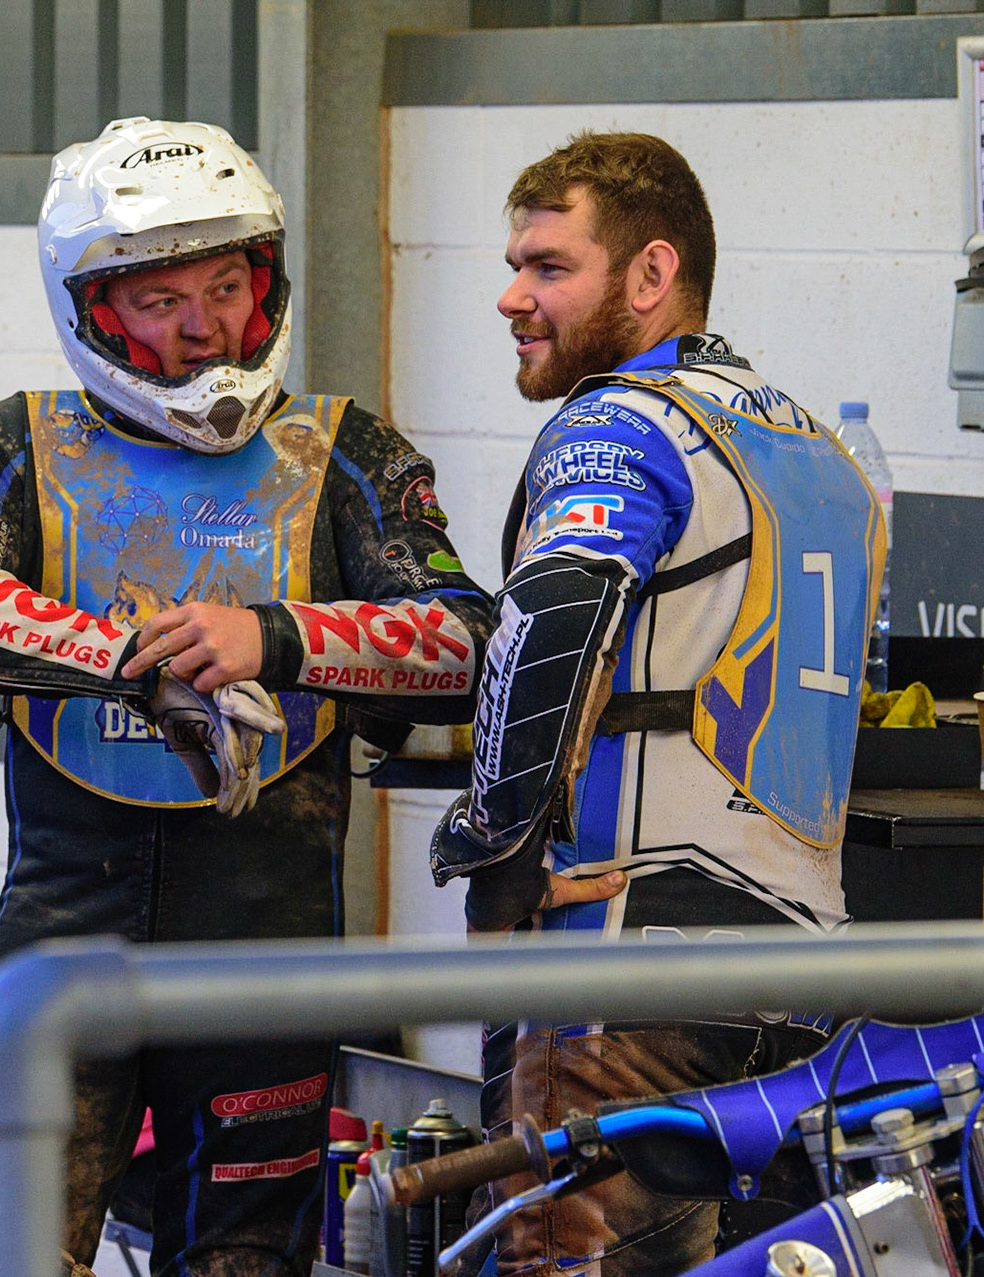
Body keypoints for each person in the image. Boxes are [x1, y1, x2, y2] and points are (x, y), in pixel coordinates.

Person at [0, 116, 493, 1277]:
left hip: (266, 957)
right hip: (59, 953)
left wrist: (270, 636)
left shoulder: (343, 452)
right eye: (160, 301)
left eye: (223, 285)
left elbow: (468, 637)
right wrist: (130, 655)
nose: (204, 324)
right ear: (96, 312)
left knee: (246, 1264)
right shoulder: (17, 446)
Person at [429, 132, 883, 1276]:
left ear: (650, 274)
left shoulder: (616, 421)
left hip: (620, 976)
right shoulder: (818, 448)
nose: (509, 295)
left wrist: (492, 851)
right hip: (801, 986)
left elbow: (550, 627)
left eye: (547, 266)